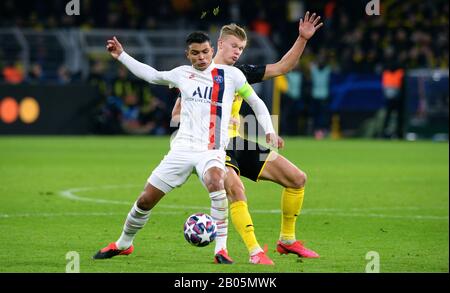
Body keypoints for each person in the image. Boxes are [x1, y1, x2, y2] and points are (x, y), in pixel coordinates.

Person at [93, 32, 279, 265]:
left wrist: (269, 129)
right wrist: (121, 55)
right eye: (195, 53)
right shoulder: (182, 74)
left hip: (211, 150)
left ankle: (221, 250)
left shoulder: (231, 75)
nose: (201, 57)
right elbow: (151, 75)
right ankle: (123, 244)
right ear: (187, 54)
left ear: (212, 50)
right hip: (181, 150)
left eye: (204, 52)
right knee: (145, 201)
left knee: (215, 180)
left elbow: (257, 103)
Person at [171, 12, 323, 263]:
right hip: (214, 147)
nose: (237, 52)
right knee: (237, 191)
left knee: (297, 179)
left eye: (241, 48)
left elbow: (283, 67)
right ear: (220, 44)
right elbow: (176, 115)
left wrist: (302, 38)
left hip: (238, 142)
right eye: (233, 46)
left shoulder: (238, 74)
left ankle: (287, 241)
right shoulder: (197, 75)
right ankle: (255, 252)